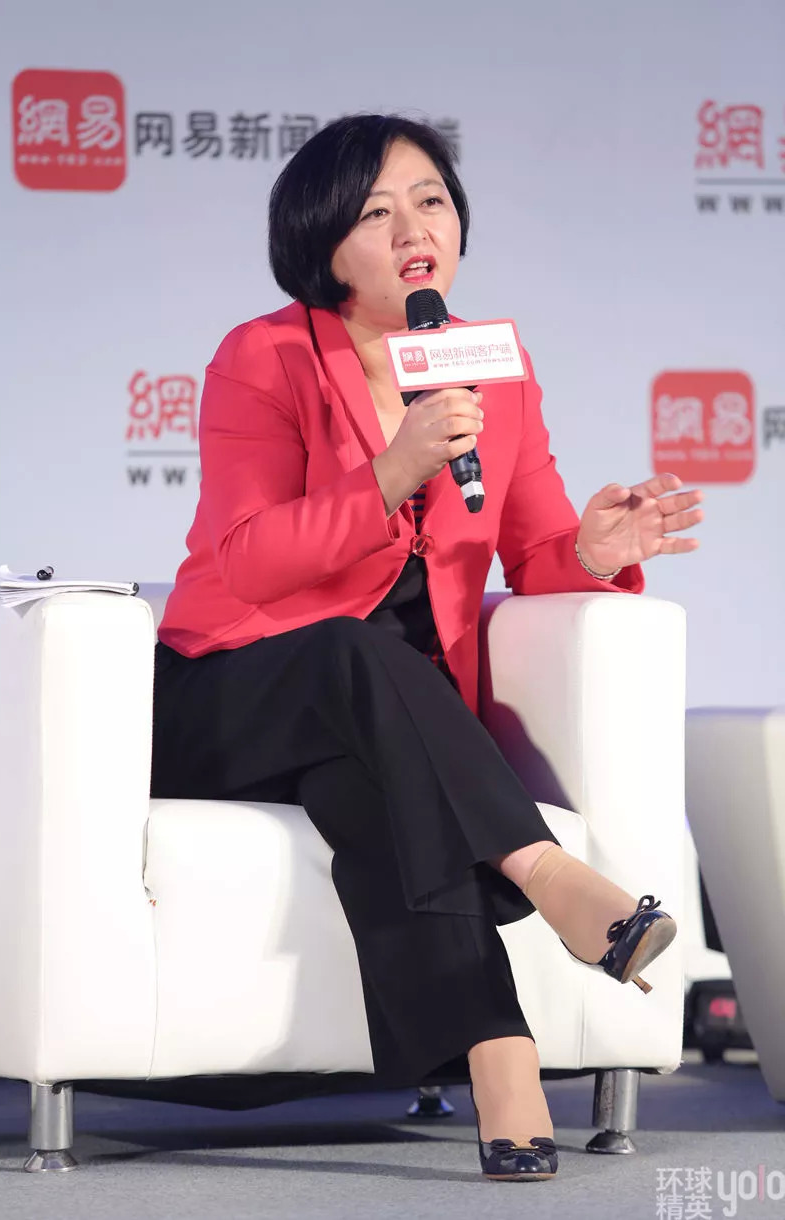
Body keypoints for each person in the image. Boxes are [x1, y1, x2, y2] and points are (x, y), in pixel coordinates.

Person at [151, 113, 704, 1184]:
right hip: (231, 696)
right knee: (351, 651)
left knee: (375, 791)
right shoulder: (263, 356)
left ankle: (502, 1067)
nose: (414, 228)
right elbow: (248, 561)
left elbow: (535, 549)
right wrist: (392, 470)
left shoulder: (488, 365)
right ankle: (549, 876)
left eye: (431, 201)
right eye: (376, 212)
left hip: (385, 724)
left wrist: (594, 551)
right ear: (324, 246)